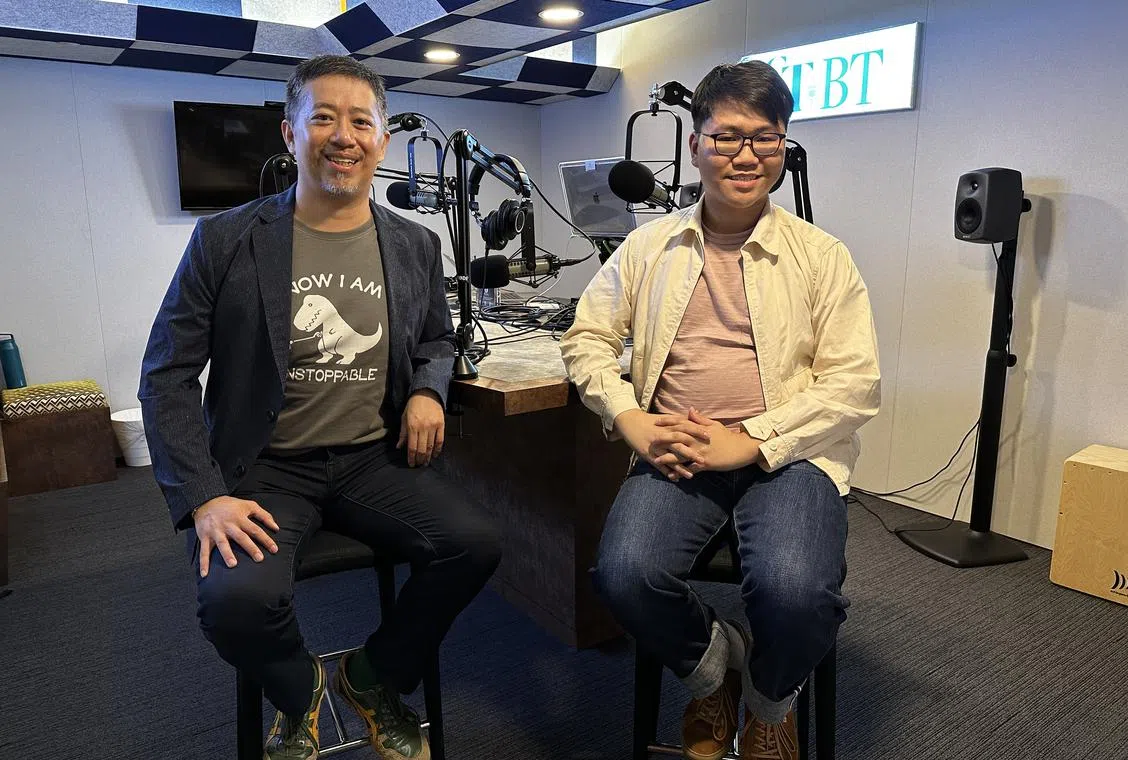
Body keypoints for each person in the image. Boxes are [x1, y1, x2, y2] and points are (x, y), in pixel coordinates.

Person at [140, 55, 501, 760]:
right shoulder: (225, 240)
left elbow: (436, 336)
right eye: (324, 118)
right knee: (235, 602)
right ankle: (300, 688)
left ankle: (370, 678)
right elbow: (167, 375)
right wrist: (204, 496)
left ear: (382, 140)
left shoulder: (414, 244)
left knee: (475, 545)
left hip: (372, 460)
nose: (344, 135)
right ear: (289, 132)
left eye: (360, 121)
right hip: (263, 468)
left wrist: (429, 388)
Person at [561, 60, 880, 760]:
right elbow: (586, 338)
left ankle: (768, 705)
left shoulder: (822, 256)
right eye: (726, 136)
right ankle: (715, 670)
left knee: (798, 596)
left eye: (764, 138)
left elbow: (855, 383)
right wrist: (628, 417)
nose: (745, 155)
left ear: (784, 146)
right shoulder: (649, 247)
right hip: (675, 442)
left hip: (789, 451)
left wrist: (756, 441)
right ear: (697, 143)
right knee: (622, 577)